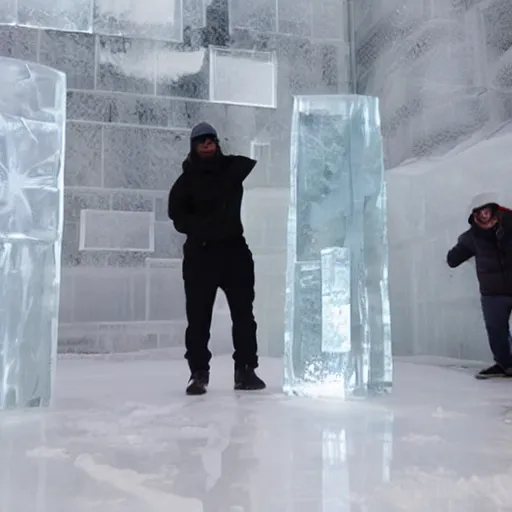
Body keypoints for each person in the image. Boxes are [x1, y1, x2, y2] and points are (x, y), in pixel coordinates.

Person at [168, 122, 266, 395]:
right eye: (201, 141)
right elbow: (176, 215)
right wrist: (198, 228)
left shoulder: (232, 169)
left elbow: (254, 167)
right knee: (198, 318)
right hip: (201, 254)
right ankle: (198, 373)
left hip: (234, 251)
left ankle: (245, 370)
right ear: (194, 146)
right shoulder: (186, 181)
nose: (207, 145)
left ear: (217, 143)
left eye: (211, 140)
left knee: (244, 315)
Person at [447, 192, 512, 380]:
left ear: (493, 210)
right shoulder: (472, 237)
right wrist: (453, 256)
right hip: (493, 294)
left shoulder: (509, 225)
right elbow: (453, 259)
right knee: (496, 331)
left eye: (487, 211)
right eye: (480, 212)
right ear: (474, 215)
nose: (484, 215)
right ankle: (505, 365)